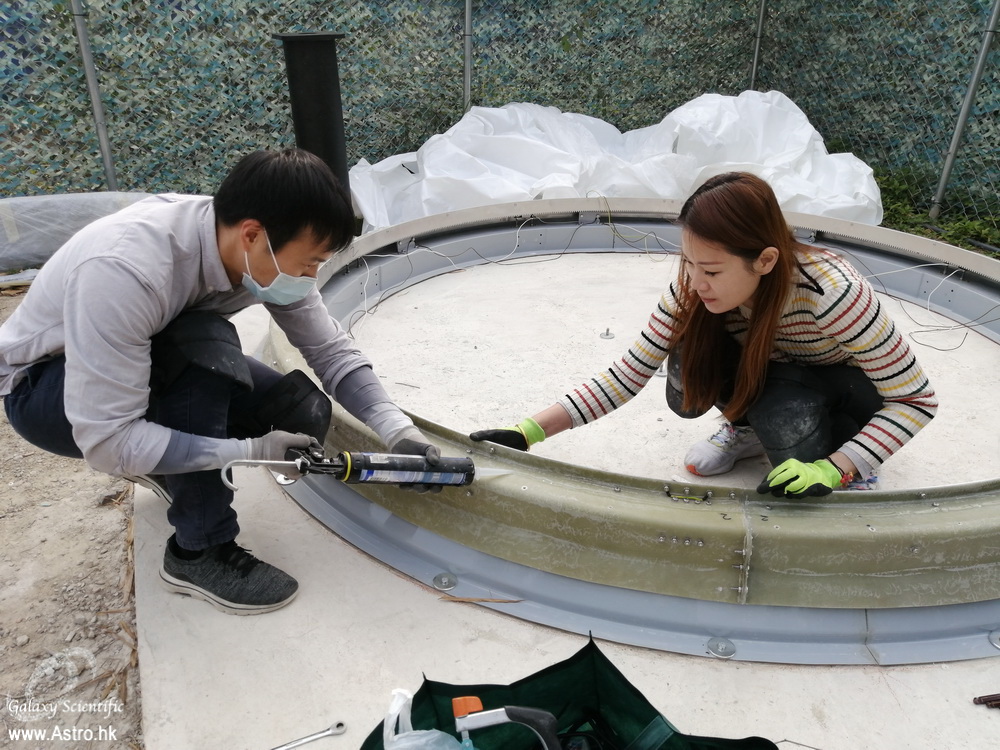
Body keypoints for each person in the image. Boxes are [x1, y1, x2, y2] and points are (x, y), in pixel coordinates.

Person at [1, 148, 439, 615]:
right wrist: (250, 451)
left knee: (296, 410)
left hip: (141, 362)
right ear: (252, 234)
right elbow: (107, 441)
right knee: (204, 354)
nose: (311, 278)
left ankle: (168, 462)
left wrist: (398, 431)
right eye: (309, 263)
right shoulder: (127, 269)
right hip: (45, 390)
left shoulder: (256, 248)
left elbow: (330, 352)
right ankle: (199, 551)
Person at [470, 171, 938, 497]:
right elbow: (629, 372)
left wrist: (836, 468)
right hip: (777, 376)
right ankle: (748, 429)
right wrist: (528, 432)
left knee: (791, 448)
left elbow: (916, 400)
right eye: (689, 263)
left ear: (765, 260)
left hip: (843, 390)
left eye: (711, 270)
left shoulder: (833, 294)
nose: (696, 282)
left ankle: (845, 453)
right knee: (690, 360)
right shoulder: (694, 286)